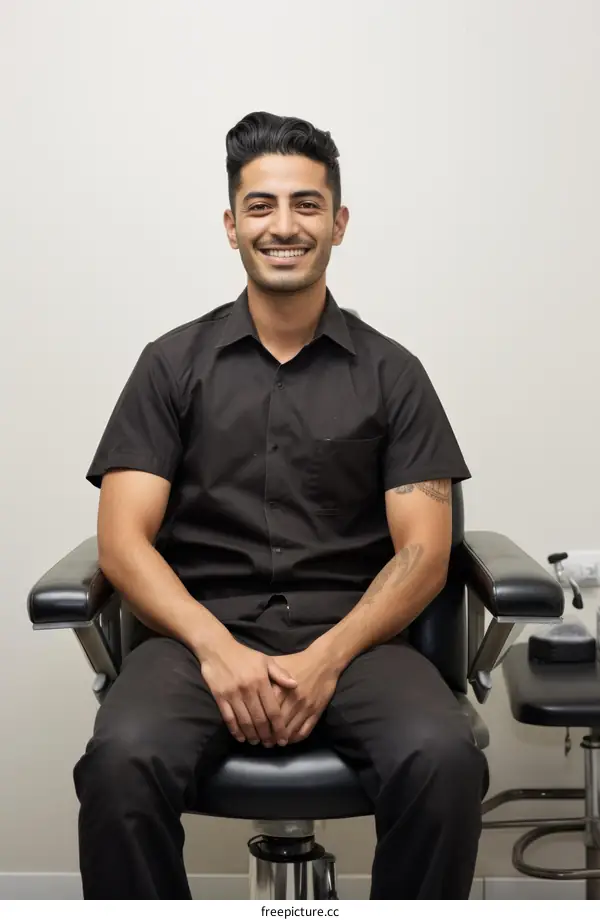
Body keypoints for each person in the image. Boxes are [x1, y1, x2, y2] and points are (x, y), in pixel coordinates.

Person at [74, 111, 487, 900]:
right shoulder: (169, 367)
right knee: (121, 760)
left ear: (339, 221)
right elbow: (123, 542)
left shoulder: (394, 375)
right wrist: (216, 649)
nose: (284, 225)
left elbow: (424, 553)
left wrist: (325, 658)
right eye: (261, 206)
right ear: (232, 226)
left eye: (306, 204)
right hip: (195, 640)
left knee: (443, 758)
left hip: (359, 641)